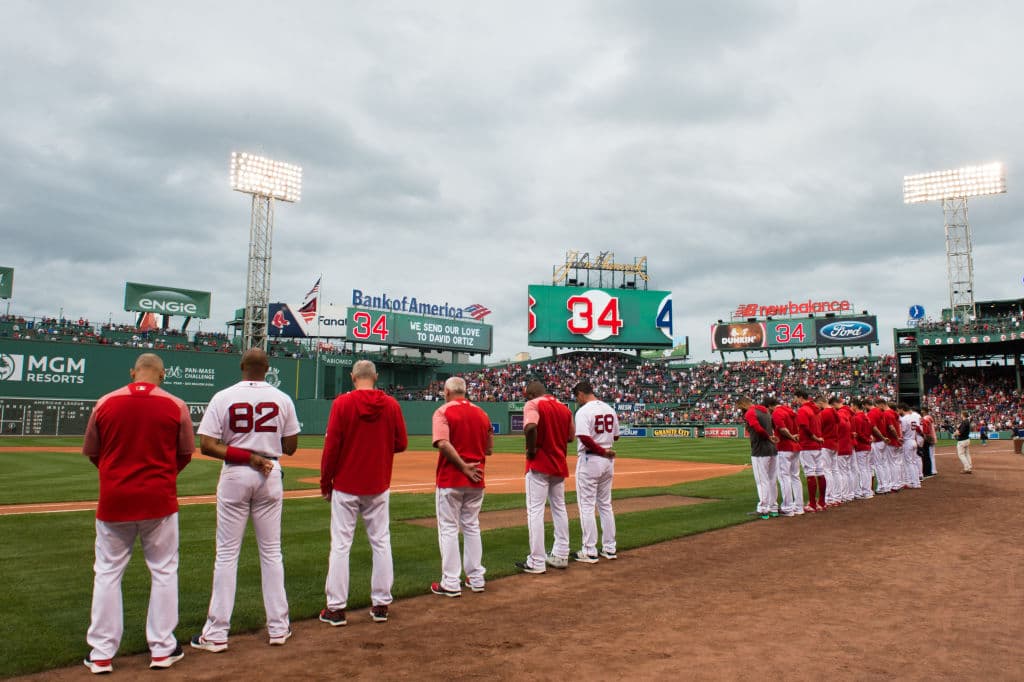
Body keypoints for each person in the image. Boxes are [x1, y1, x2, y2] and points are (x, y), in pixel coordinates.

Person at [82, 353, 194, 673]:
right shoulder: (176, 404)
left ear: (133, 372)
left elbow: (93, 452)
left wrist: (115, 477)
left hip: (114, 500)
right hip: (159, 500)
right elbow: (185, 454)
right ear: (163, 374)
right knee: (163, 571)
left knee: (107, 572)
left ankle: (101, 654)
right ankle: (162, 649)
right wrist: (162, 478)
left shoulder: (105, 402)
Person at [191, 349, 300, 653]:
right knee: (272, 553)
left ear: (241, 366)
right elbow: (291, 446)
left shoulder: (223, 397)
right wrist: (263, 445)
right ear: (268, 368)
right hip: (270, 471)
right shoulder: (282, 398)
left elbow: (207, 445)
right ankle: (278, 628)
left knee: (227, 554)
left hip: (235, 473)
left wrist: (246, 452)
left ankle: (216, 633)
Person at [319, 360, 408, 625]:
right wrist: (379, 447)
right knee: (381, 542)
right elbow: (401, 443)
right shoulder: (391, 404)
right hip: (378, 484)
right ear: (376, 377)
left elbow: (331, 449)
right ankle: (381, 604)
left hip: (346, 485)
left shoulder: (342, 404)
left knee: (341, 545)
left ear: (352, 377)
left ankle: (336, 609)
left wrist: (326, 483)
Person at [429, 377, 493, 597]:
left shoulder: (443, 411)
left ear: (447, 392)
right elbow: (489, 448)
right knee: (472, 526)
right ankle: (476, 578)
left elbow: (443, 443)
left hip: (452, 478)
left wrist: (463, 466)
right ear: (464, 391)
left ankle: (451, 582)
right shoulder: (482, 413)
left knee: (448, 528)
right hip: (477, 478)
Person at [516, 380, 575, 573]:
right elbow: (570, 437)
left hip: (539, 464)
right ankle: (561, 554)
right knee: (559, 508)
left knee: (535, 511)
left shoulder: (533, 404)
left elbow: (530, 427)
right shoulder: (564, 408)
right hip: (558, 463)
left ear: (531, 394)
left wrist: (532, 450)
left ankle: (536, 561)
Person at [571, 380, 620, 562]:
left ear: (581, 394)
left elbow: (584, 438)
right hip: (608, 461)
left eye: (577, 397)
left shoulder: (583, 411)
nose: (577, 401)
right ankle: (610, 548)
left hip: (591, 459)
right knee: (605, 505)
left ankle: (589, 550)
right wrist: (604, 448)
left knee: (587, 505)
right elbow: (616, 436)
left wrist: (600, 450)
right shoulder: (609, 409)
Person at [738, 396, 778, 520]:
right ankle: (773, 508)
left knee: (762, 481)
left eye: (740, 407)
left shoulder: (750, 412)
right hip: (772, 449)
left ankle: (763, 509)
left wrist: (768, 437)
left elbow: (757, 428)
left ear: (743, 404)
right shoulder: (765, 411)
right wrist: (771, 437)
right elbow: (774, 426)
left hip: (760, 450)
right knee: (771, 480)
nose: (740, 410)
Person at [769, 396, 803, 516]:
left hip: (785, 447)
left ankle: (788, 508)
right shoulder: (790, 410)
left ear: (770, 406)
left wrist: (791, 437)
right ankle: (799, 507)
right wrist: (795, 436)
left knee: (784, 477)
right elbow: (799, 426)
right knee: (795, 477)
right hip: (795, 447)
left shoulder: (777, 412)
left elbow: (782, 429)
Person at [795, 388, 826, 513]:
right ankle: (821, 502)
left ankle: (813, 504)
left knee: (810, 473)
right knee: (820, 472)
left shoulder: (803, 409)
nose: (795, 400)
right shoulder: (816, 410)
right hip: (818, 446)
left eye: (796, 398)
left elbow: (805, 427)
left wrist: (814, 437)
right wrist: (817, 438)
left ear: (800, 397)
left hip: (808, 445)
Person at [817, 396, 840, 506]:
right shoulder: (835, 412)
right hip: (834, 443)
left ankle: (828, 497)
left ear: (822, 402)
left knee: (827, 471)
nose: (818, 407)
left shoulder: (824, 413)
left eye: (818, 404)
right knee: (834, 470)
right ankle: (836, 496)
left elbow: (819, 428)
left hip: (826, 443)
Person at [850, 399, 874, 499]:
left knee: (862, 469)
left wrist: (867, 440)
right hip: (867, 446)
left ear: (855, 406)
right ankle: (868, 491)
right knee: (867, 469)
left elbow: (859, 434)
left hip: (861, 446)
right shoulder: (866, 417)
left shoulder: (857, 417)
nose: (851, 407)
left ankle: (865, 491)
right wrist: (869, 440)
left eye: (852, 405)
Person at [834, 397, 855, 502]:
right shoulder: (848, 413)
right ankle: (849, 494)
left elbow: (839, 428)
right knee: (848, 471)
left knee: (842, 472)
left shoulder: (841, 413)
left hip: (842, 445)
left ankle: (844, 494)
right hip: (848, 445)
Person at [919, 407, 937, 476]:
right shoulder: (929, 417)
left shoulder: (926, 418)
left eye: (922, 410)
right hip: (932, 436)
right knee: (931, 455)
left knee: (929, 455)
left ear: (924, 411)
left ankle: (932, 470)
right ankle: (933, 470)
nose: (921, 411)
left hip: (929, 437)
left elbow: (926, 429)